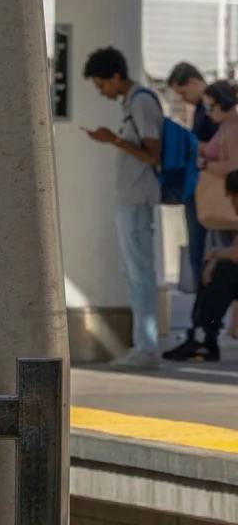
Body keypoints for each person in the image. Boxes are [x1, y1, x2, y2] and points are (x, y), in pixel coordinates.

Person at [83, 47, 166, 369]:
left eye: (103, 85)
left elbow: (152, 154)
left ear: (117, 76)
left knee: (140, 273)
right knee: (134, 273)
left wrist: (113, 140)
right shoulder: (133, 102)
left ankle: (146, 349)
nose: (103, 92)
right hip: (132, 198)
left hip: (138, 198)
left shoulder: (141, 102)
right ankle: (142, 345)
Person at [169, 86, 238, 361]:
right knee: (214, 273)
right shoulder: (228, 127)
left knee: (216, 274)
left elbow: (233, 165)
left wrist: (203, 164)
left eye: (210, 107)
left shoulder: (232, 128)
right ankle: (202, 335)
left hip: (223, 218)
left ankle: (202, 336)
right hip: (221, 216)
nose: (207, 114)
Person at [173, 62, 217, 291]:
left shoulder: (211, 108)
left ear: (193, 82)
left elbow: (219, 147)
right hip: (200, 187)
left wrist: (191, 143)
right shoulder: (202, 109)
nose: (183, 99)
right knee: (198, 249)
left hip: (209, 189)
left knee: (202, 250)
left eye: (183, 93)